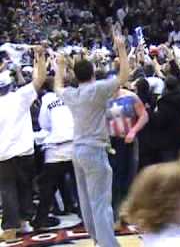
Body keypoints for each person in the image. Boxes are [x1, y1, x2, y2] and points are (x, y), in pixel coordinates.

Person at [54, 34, 129, 247]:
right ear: (93, 73)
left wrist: (59, 66)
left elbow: (57, 86)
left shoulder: (72, 94)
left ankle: (96, 239)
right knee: (101, 203)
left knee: (86, 201)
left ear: (76, 77)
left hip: (77, 150)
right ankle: (107, 244)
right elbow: (124, 76)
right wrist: (121, 49)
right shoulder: (97, 89)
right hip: (95, 149)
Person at [0, 47, 46, 242]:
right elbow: (40, 79)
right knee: (25, 186)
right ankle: (24, 221)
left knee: (8, 189)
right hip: (25, 151)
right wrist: (40, 57)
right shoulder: (20, 97)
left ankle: (11, 228)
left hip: (3, 154)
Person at [33, 77, 76, 230]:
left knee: (47, 187)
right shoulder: (76, 94)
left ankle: (41, 220)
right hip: (75, 145)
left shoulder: (47, 99)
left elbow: (44, 124)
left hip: (55, 148)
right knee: (82, 185)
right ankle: (87, 215)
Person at [106, 84, 149, 227]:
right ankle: (116, 215)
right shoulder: (103, 99)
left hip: (128, 141)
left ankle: (128, 212)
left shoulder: (130, 97)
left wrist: (134, 130)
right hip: (111, 142)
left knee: (129, 176)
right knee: (114, 179)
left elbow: (144, 115)